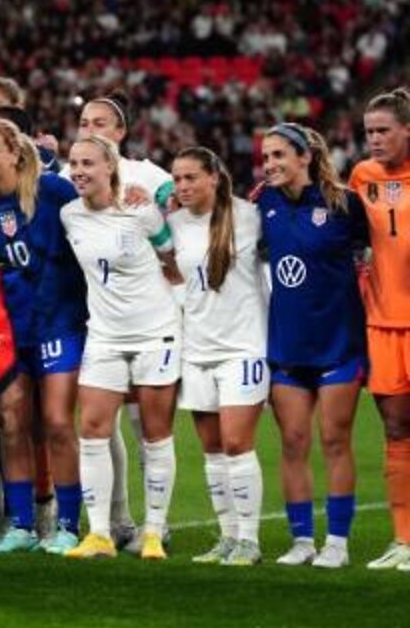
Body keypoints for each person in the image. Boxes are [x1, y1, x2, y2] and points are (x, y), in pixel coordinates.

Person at [0, 118, 85, 555]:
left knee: (55, 422)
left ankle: (68, 525)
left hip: (60, 320)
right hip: (11, 327)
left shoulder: (53, 192)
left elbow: (98, 216)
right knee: (12, 423)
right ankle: (22, 526)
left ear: (15, 152)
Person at [60, 134, 182, 561]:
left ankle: (153, 533)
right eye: (73, 163)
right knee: (92, 429)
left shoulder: (141, 209)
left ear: (110, 167)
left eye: (88, 163)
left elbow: (173, 261)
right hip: (105, 334)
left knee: (155, 433)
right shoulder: (69, 214)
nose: (78, 171)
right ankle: (99, 535)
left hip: (155, 331)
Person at [258, 123, 368, 568]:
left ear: (305, 157)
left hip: (338, 342)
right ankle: (302, 540)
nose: (270, 165)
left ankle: (337, 543)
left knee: (334, 439)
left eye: (279, 155)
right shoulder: (261, 201)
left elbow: (380, 250)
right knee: (293, 441)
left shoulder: (345, 204)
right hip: (288, 346)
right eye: (266, 157)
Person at [169, 147, 267, 566]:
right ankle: (227, 536)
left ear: (213, 177)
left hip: (243, 345)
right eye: (177, 179)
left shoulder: (249, 216)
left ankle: (250, 539)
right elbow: (172, 275)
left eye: (191, 177)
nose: (183, 186)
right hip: (196, 347)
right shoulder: (172, 224)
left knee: (236, 442)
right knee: (211, 449)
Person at [352, 88, 410, 571]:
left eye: (383, 131)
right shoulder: (362, 177)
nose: (373, 140)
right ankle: (403, 541)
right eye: (369, 131)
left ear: (407, 130)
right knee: (395, 428)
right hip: (383, 322)